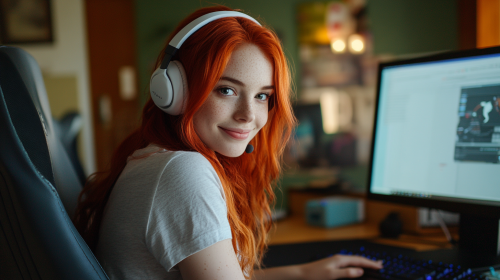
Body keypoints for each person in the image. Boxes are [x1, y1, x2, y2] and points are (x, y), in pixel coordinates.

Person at [74, 5, 383, 280]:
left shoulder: (156, 159)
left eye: (263, 96)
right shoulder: (182, 172)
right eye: (227, 90)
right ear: (174, 91)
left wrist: (303, 273)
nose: (249, 115)